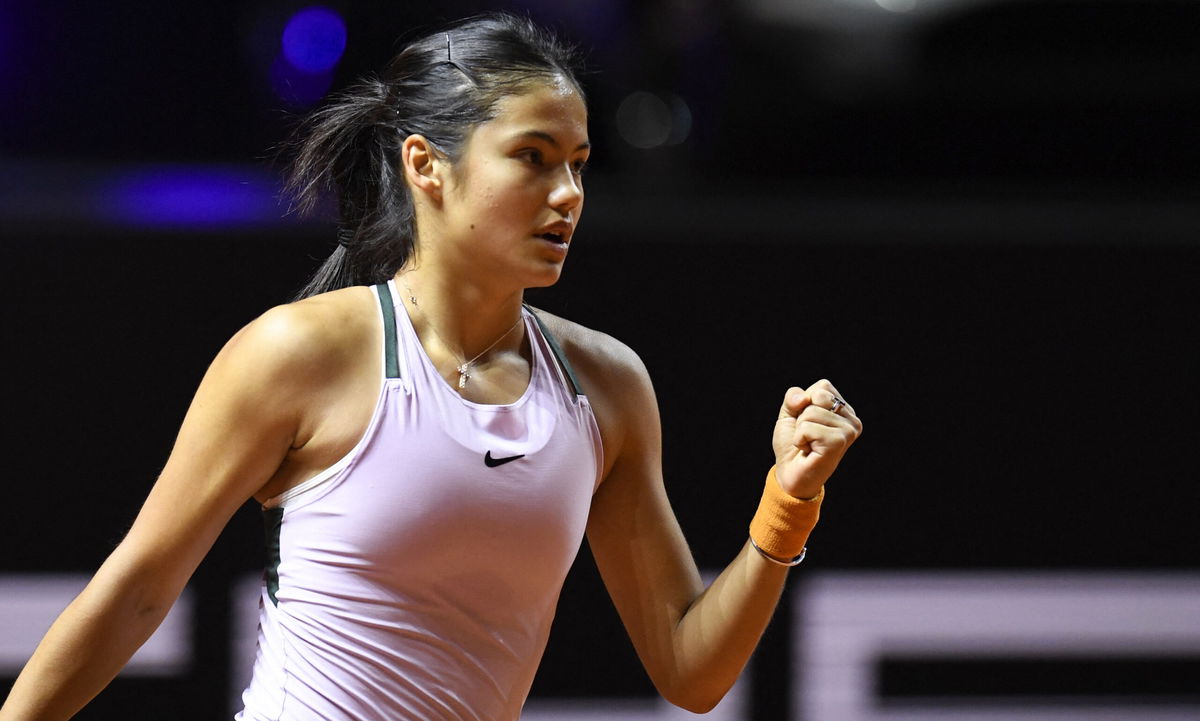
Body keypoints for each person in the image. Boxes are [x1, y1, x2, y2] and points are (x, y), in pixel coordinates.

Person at [0, 12, 862, 721]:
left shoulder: (607, 387)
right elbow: (138, 591)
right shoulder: (299, 353)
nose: (568, 194)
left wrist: (786, 504)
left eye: (579, 163)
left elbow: (690, 668)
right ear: (427, 166)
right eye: (532, 156)